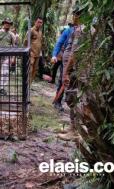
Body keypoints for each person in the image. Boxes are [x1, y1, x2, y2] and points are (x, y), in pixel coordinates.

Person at [51, 8, 83, 141]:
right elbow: (60, 43)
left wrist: (66, 71)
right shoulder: (71, 30)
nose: (74, 17)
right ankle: (73, 128)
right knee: (71, 96)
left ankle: (75, 130)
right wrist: (55, 55)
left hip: (73, 70)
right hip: (70, 68)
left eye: (76, 14)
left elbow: (74, 53)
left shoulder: (80, 30)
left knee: (72, 97)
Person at [0, 18, 16, 95]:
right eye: (6, 23)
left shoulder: (12, 35)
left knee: (5, 72)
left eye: (9, 23)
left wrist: (13, 58)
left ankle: (2, 88)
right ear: (3, 23)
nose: (7, 24)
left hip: (6, 57)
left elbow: (14, 46)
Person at [24, 17, 44, 84]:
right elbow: (26, 41)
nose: (40, 24)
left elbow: (40, 42)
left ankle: (30, 84)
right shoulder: (31, 30)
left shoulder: (40, 32)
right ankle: (27, 84)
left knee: (34, 70)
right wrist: (27, 52)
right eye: (38, 22)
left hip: (37, 54)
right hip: (31, 53)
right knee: (30, 69)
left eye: (41, 22)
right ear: (35, 22)